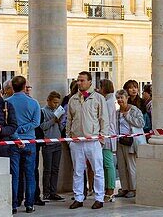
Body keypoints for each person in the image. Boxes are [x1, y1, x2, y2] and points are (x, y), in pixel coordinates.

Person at [66, 71, 108, 208]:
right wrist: (69, 139)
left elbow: (103, 119)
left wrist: (102, 138)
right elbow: (69, 120)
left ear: (90, 82)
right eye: (78, 80)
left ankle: (99, 197)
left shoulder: (98, 98)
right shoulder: (73, 99)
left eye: (82, 80)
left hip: (93, 140)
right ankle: (78, 197)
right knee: (78, 171)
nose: (79, 83)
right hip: (77, 140)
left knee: (97, 170)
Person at [7, 76, 41, 213]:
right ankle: (29, 204)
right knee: (30, 174)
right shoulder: (34, 103)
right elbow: (36, 122)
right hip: (29, 140)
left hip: (14, 140)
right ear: (25, 86)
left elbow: (7, 123)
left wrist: (17, 132)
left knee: (14, 174)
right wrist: (24, 129)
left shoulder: (7, 103)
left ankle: (14, 204)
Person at [114, 90, 145, 198]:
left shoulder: (134, 110)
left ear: (127, 98)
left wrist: (128, 116)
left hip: (131, 142)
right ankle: (125, 188)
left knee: (131, 166)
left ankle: (133, 188)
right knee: (122, 166)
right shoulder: (117, 112)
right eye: (118, 98)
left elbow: (141, 123)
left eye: (122, 97)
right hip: (120, 141)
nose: (120, 100)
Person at [39, 91, 64, 201]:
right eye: (54, 102)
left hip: (57, 143)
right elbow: (42, 126)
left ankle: (54, 191)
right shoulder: (43, 112)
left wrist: (59, 122)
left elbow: (61, 129)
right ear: (48, 101)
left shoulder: (58, 111)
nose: (56, 105)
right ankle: (46, 192)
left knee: (55, 169)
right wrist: (53, 120)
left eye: (57, 103)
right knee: (47, 169)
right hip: (48, 144)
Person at [96, 79, 118, 201]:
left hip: (107, 135)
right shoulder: (107, 100)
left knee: (108, 163)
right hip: (106, 134)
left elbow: (105, 119)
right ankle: (107, 188)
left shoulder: (108, 102)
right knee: (105, 164)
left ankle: (110, 190)